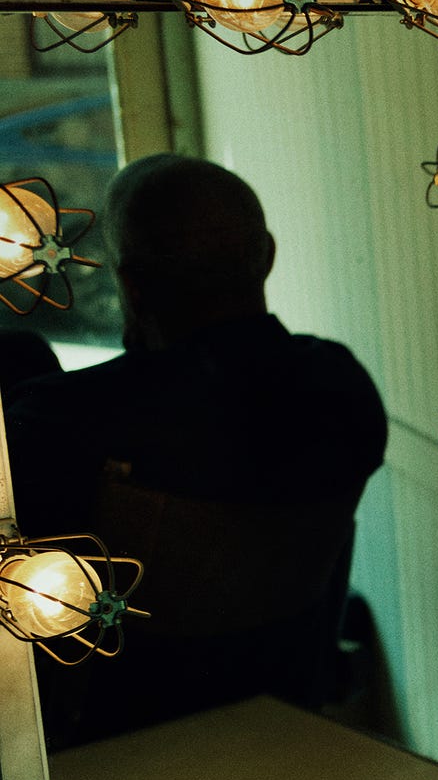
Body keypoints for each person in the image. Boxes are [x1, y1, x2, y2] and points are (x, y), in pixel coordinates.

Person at [3, 154, 386, 743]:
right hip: (275, 707)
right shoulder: (341, 389)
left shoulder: (59, 423)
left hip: (118, 741)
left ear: (131, 283)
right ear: (268, 255)